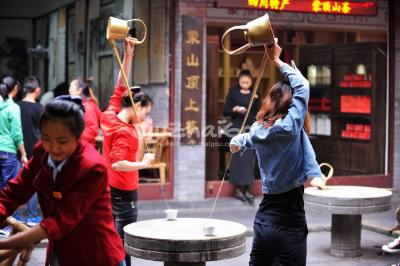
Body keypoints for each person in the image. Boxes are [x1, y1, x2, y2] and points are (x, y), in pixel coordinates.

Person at [230, 42, 324, 266]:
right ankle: (315, 172)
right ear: (292, 107)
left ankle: (314, 172)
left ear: (270, 101)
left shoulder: (258, 129)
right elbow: (302, 86)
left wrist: (237, 141)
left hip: (263, 222)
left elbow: (248, 139)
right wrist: (276, 61)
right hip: (289, 223)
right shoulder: (289, 127)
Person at [0, 96, 125, 265]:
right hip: (60, 251)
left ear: (78, 136)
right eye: (46, 138)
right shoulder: (41, 152)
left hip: (96, 254)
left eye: (62, 141)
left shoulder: (93, 167)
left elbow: (60, 222)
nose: (53, 148)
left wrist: (4, 243)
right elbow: (13, 194)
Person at [100, 38, 154, 266]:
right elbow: (117, 163)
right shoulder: (126, 131)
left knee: (111, 239)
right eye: (145, 113)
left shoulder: (111, 113)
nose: (144, 118)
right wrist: (144, 163)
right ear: (137, 106)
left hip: (109, 188)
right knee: (124, 243)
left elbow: (121, 84)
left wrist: (128, 55)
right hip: (123, 190)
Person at [223, 69, 260, 204]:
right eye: (243, 82)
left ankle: (247, 189)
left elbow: (259, 112)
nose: (245, 84)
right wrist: (235, 109)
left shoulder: (255, 93)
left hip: (250, 129)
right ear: (239, 81)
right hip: (236, 129)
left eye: (248, 82)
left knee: (249, 159)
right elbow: (225, 110)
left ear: (251, 82)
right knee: (238, 158)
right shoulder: (232, 92)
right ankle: (238, 189)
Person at [16, 76, 43, 226]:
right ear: (37, 90)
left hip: (17, 151)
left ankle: (15, 215)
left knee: (16, 182)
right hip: (34, 151)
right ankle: (33, 216)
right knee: (34, 183)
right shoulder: (40, 109)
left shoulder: (16, 106)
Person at [0, 76, 28, 189]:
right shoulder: (13, 107)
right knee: (7, 190)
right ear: (16, 88)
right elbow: (17, 134)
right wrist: (23, 154)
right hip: (7, 152)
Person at [69, 77, 102, 147]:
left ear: (79, 91)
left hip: (86, 146)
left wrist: (74, 138)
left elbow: (92, 130)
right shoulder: (84, 105)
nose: (69, 90)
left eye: (71, 87)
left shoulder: (87, 107)